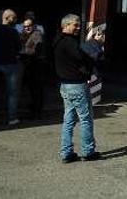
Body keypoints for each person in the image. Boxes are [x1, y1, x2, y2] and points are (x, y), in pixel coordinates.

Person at [53, 13, 105, 163]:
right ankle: (88, 151)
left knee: (68, 119)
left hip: (65, 85)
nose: (78, 27)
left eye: (78, 24)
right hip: (77, 85)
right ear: (66, 25)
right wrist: (96, 44)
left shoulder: (58, 41)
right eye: (75, 25)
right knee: (85, 119)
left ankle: (66, 152)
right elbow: (84, 58)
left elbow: (79, 56)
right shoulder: (69, 43)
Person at [19, 18, 46, 119]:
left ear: (34, 26)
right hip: (29, 65)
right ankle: (33, 109)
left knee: (36, 89)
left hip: (36, 66)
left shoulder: (37, 35)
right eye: (25, 26)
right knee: (31, 89)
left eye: (29, 26)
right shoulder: (24, 35)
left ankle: (37, 112)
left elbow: (35, 50)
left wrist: (23, 52)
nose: (27, 28)